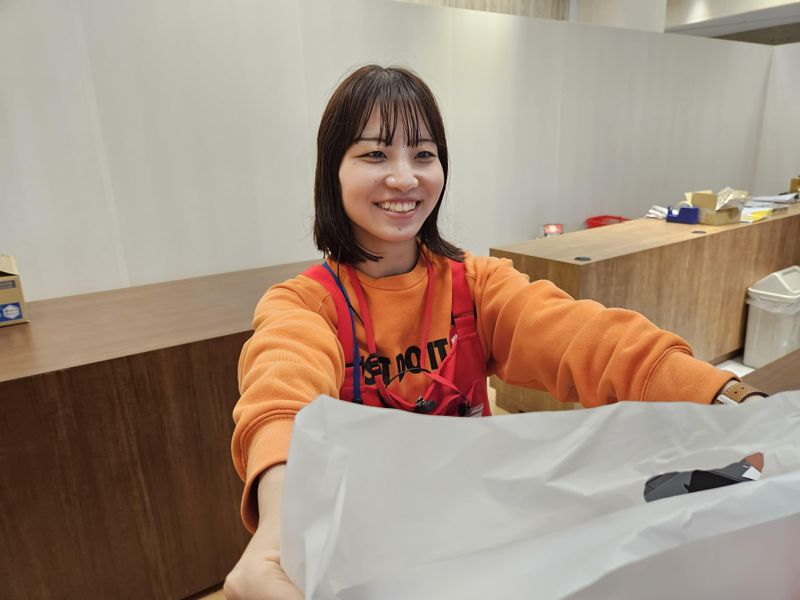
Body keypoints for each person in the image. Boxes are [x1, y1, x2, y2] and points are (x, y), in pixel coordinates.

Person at [223, 65, 765, 600]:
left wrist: (732, 400)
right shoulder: (304, 305)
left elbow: (592, 341)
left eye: (424, 154)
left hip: (479, 538)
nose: (405, 178)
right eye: (374, 154)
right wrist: (279, 525)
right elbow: (281, 400)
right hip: (368, 559)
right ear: (332, 172)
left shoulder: (476, 285)